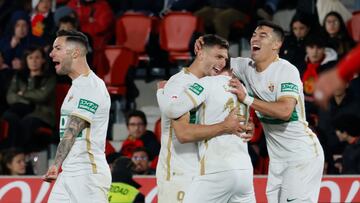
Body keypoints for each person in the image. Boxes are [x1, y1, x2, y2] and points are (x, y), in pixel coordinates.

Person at [196, 21, 324, 202]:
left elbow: (285, 111)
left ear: (276, 45)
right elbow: (217, 58)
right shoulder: (244, 67)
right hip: (277, 161)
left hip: (302, 156)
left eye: (262, 35)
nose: (255, 38)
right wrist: (204, 43)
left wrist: (246, 98)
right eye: (254, 34)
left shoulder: (286, 70)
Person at [156, 34, 246, 203]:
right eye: (218, 56)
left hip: (204, 174)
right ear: (200, 53)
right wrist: (225, 126)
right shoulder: (179, 83)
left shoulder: (209, 85)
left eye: (224, 59)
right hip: (179, 174)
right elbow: (183, 134)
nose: (222, 63)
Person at [43, 30, 111, 202]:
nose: (51, 54)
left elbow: (72, 130)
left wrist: (56, 164)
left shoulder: (92, 86)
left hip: (88, 174)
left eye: (57, 48)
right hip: (69, 172)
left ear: (75, 52)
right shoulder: (75, 86)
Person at [1, 46, 56, 151]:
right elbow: (10, 97)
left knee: (27, 122)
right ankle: (9, 155)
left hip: (42, 114)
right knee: (9, 117)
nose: (33, 61)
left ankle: (20, 154)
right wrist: (27, 101)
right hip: (21, 111)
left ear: (43, 60)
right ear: (26, 60)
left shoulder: (49, 78)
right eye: (30, 58)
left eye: (37, 58)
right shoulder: (19, 76)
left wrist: (22, 94)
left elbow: (42, 96)